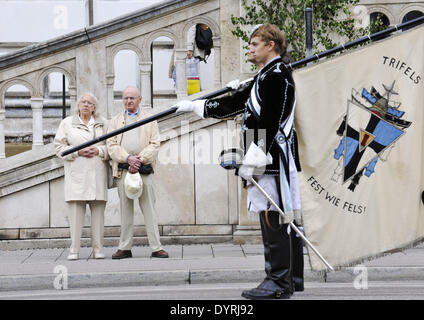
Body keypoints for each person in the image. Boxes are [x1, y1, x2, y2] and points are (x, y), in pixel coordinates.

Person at [175, 24, 304, 299]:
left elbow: (271, 119)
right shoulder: (265, 76)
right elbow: (233, 104)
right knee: (275, 218)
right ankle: (288, 279)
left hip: (271, 157)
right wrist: (198, 106)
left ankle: (279, 281)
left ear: (271, 45)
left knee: (274, 218)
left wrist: (254, 157)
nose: (249, 48)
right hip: (263, 154)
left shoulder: (277, 75)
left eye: (254, 43)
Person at [106, 86, 168, 259]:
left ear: (139, 99)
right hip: (124, 170)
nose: (128, 101)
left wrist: (138, 159)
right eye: (125, 98)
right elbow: (111, 146)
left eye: (132, 98)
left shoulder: (150, 119)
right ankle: (124, 247)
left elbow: (155, 144)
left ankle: (156, 247)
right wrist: (128, 159)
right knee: (125, 210)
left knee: (149, 209)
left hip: (144, 169)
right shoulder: (116, 121)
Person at [54, 93, 109, 261]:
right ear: (78, 105)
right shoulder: (67, 123)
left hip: (97, 175)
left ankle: (98, 249)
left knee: (98, 217)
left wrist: (99, 151)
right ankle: (74, 250)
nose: (86, 105)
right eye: (83, 102)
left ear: (94, 107)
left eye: (90, 103)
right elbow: (58, 147)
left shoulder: (103, 123)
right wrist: (77, 151)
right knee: (76, 217)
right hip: (76, 175)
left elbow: (113, 146)